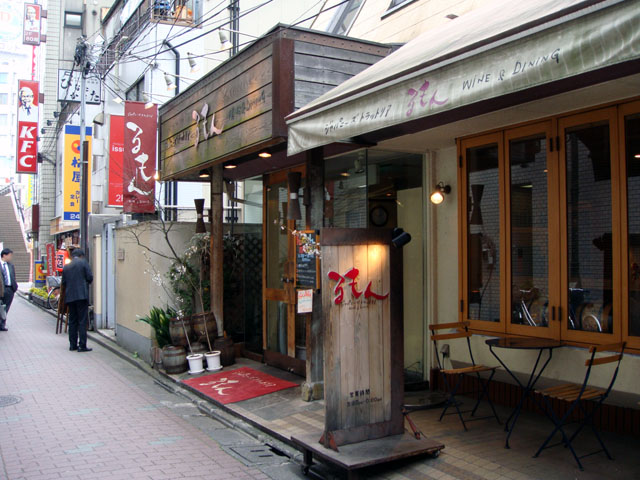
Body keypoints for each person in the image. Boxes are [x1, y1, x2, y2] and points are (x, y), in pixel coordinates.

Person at [62, 248, 93, 352]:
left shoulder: (66, 266)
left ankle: (72, 345)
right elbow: (90, 277)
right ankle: (82, 345)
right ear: (81, 256)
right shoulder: (83, 263)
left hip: (70, 296)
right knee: (82, 320)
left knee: (72, 321)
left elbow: (64, 282)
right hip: (81, 296)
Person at [1, 248, 18, 331]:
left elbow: (13, 276)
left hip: (9, 289)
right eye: (10, 255)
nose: (11, 257)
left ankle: (2, 324)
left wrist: (14, 287)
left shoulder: (10, 265)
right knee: (0, 307)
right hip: (1, 289)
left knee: (6, 308)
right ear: (4, 255)